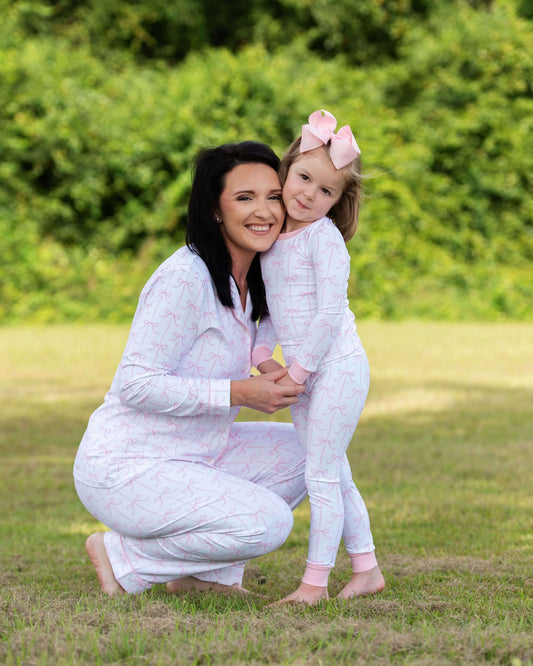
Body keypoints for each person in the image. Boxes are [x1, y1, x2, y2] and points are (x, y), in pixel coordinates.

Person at [73, 141, 308, 596]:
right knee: (270, 524)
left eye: (273, 196)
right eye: (244, 198)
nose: (264, 211)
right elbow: (135, 384)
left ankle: (202, 578)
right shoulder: (186, 277)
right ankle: (125, 559)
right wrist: (239, 392)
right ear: (215, 210)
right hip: (128, 465)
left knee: (311, 451)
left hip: (201, 452)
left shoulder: (249, 279)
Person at [252, 110, 385, 605]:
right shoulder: (273, 240)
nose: (309, 194)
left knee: (321, 475)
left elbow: (329, 314)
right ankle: (367, 568)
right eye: (304, 178)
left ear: (336, 202)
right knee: (334, 470)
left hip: (338, 367)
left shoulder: (323, 239)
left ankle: (314, 584)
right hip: (303, 375)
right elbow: (270, 312)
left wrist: (301, 371)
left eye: (325, 191)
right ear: (286, 171)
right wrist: (267, 360)